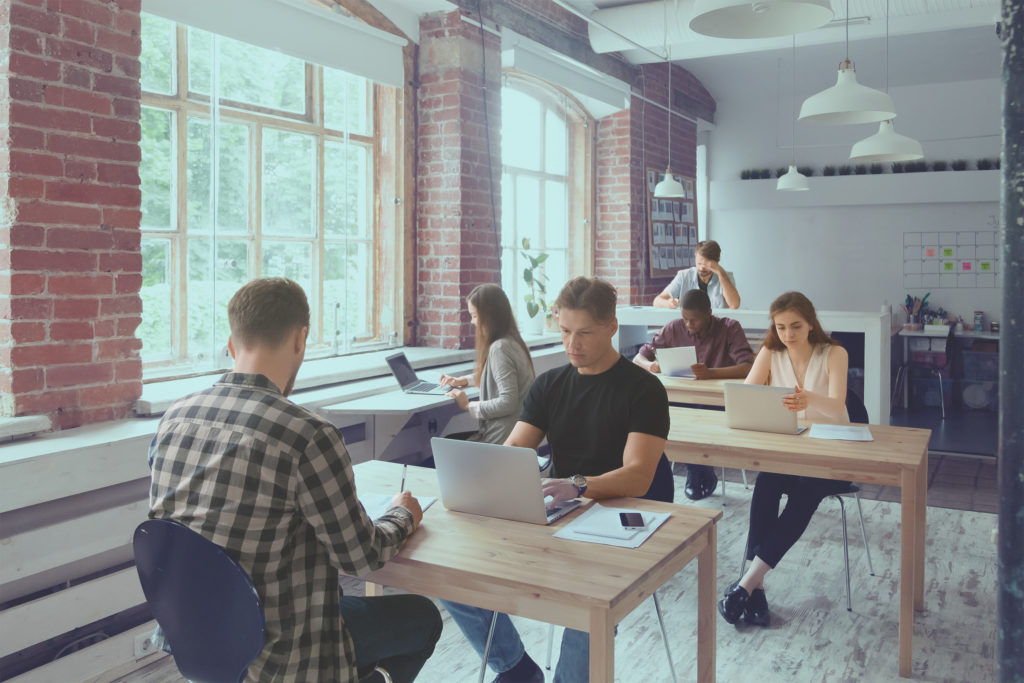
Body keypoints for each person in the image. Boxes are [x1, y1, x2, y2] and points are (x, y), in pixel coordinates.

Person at [148, 278, 442, 682]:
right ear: (301, 340)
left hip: (198, 642)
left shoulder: (174, 419)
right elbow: (360, 556)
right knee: (423, 616)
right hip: (284, 656)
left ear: (232, 345)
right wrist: (402, 515)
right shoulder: (306, 434)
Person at [441, 276, 673, 683]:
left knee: (587, 609)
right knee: (449, 571)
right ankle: (515, 670)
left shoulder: (644, 389)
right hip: (566, 509)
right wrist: (477, 474)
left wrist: (578, 485)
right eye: (565, 331)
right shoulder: (550, 385)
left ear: (611, 327)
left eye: (584, 333)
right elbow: (515, 447)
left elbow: (638, 477)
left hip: (628, 516)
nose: (572, 344)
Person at [718, 291, 851, 629]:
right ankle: (755, 590)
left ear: (810, 324)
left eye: (795, 326)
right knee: (766, 483)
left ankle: (747, 583)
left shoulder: (835, 353)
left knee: (806, 491)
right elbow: (746, 395)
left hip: (834, 456)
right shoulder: (770, 352)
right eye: (780, 327)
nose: (788, 335)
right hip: (791, 451)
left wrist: (809, 398)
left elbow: (836, 407)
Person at [633, 288, 755, 500]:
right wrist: (652, 365)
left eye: (695, 320)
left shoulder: (729, 327)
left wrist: (711, 373)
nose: (689, 325)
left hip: (719, 402)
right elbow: (639, 358)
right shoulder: (674, 328)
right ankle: (697, 470)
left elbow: (747, 366)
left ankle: (697, 471)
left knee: (695, 414)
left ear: (709, 312)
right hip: (682, 398)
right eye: (685, 319)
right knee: (659, 415)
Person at [438, 283, 535, 444]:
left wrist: (468, 405)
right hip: (514, 437)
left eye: (475, 316)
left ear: (490, 316)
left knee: (439, 448)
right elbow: (498, 373)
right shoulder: (512, 341)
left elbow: (508, 402)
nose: (472, 322)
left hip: (501, 441)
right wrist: (463, 380)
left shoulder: (500, 348)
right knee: (447, 442)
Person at [652, 239, 741, 309]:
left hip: (717, 328)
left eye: (706, 265)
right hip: (690, 327)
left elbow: (734, 305)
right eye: (699, 263)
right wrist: (668, 303)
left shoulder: (725, 277)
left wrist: (721, 273)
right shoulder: (684, 276)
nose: (701, 268)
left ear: (717, 261)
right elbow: (657, 301)